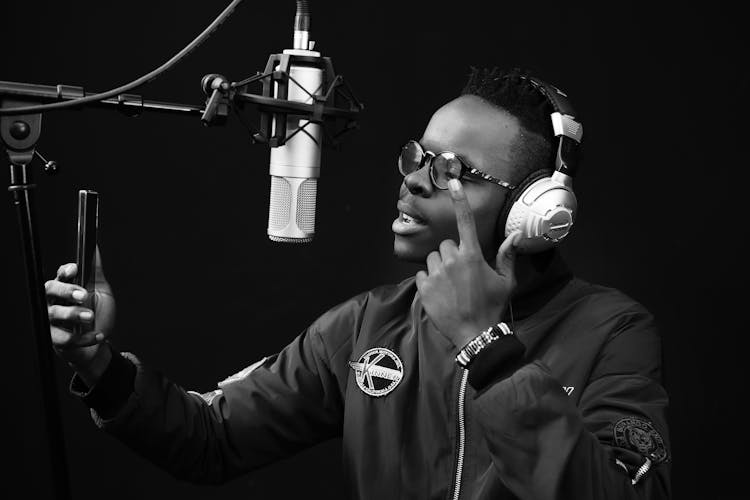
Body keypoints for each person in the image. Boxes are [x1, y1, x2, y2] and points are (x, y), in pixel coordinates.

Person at [45, 67, 671, 499]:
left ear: (535, 211)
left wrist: (487, 346)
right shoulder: (368, 326)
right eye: (417, 156)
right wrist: (99, 365)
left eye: (455, 170)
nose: (417, 181)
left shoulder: (613, 331)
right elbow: (210, 439)